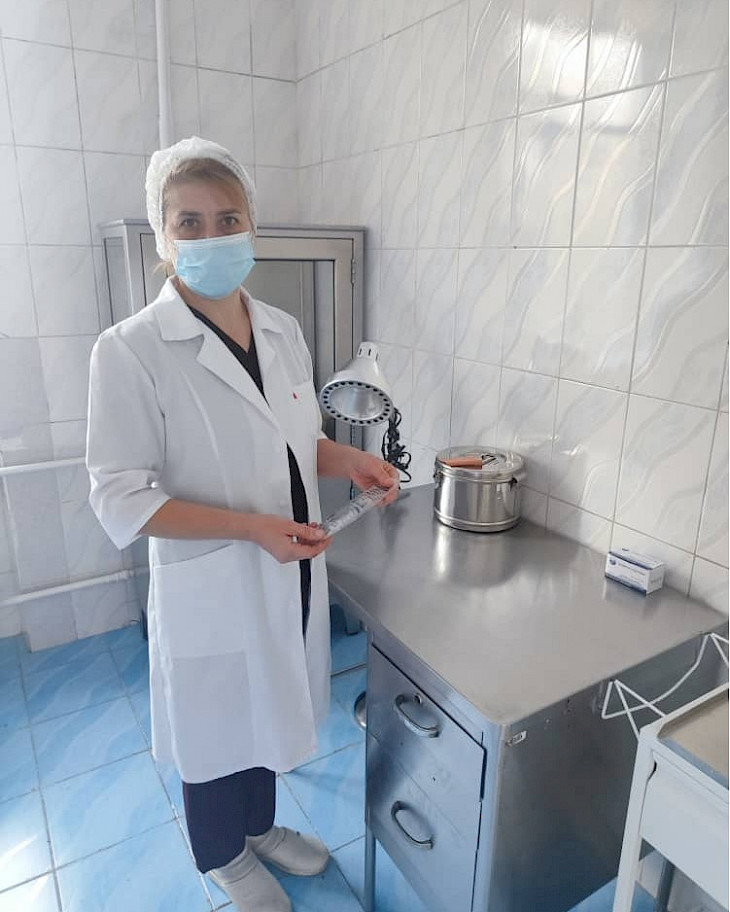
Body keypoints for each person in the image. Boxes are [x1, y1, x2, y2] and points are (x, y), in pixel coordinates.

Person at [86, 136, 399, 912]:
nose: (211, 236)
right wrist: (250, 528)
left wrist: (350, 461)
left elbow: (294, 441)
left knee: (267, 708)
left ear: (252, 225)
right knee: (215, 724)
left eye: (228, 218)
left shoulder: (282, 330)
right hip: (214, 580)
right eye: (188, 222)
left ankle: (258, 828)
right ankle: (223, 856)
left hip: (289, 568)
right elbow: (119, 496)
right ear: (163, 237)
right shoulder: (129, 351)